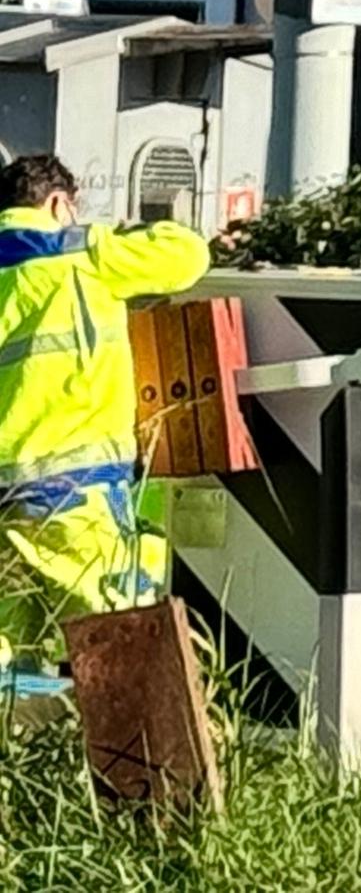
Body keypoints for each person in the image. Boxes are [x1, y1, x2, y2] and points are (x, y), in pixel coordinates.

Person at [0, 153, 207, 684]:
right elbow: (188, 256)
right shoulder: (83, 254)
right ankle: (132, 762)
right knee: (114, 643)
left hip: (5, 497)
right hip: (73, 495)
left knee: (10, 658)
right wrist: (111, 232)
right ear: (57, 203)